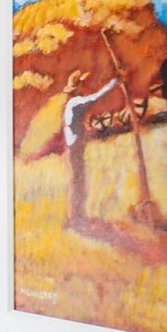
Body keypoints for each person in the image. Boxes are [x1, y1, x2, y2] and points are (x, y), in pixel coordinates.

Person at [62, 71, 118, 226]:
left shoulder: (71, 102)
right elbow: (95, 97)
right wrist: (112, 84)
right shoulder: (76, 102)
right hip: (74, 144)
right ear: (77, 87)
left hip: (74, 143)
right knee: (77, 180)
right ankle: (76, 218)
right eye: (81, 84)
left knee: (77, 179)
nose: (84, 86)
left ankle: (77, 216)